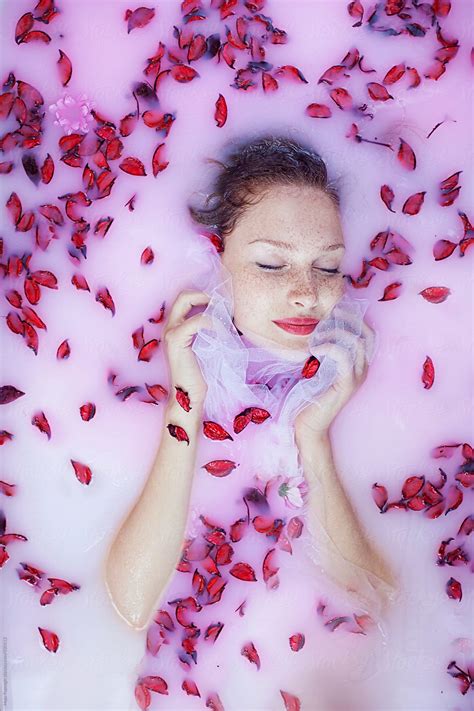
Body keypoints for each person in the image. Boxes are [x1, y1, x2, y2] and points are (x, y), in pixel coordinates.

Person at [104, 134, 400, 710]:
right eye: (270, 263)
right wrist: (185, 398)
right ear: (217, 261)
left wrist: (313, 437)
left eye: (329, 267)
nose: (306, 294)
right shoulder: (147, 379)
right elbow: (132, 604)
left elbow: (375, 597)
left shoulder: (356, 375)